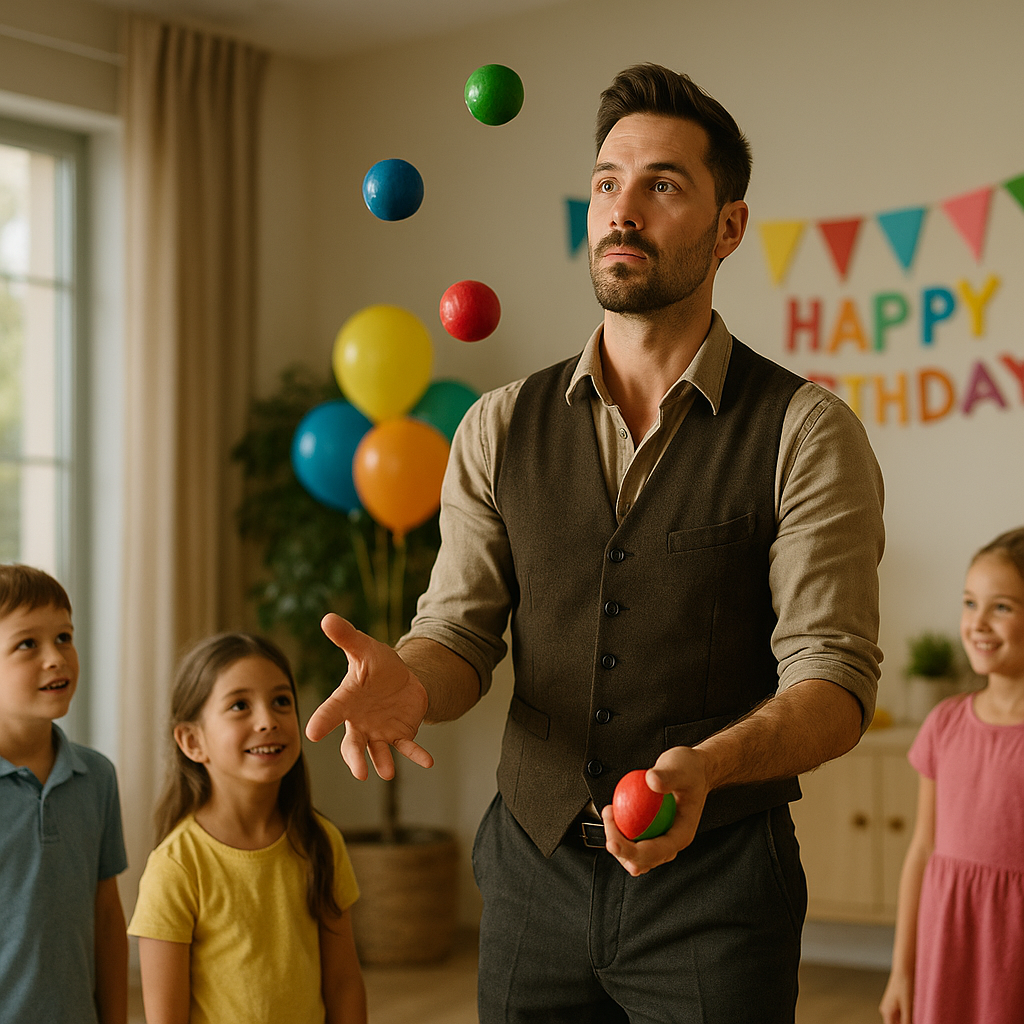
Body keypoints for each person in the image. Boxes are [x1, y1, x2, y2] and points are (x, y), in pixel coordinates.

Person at [306, 63, 885, 1023]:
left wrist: (709, 764)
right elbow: (457, 633)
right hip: (531, 878)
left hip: (718, 893)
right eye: (608, 182)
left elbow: (833, 682)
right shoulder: (496, 425)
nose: (623, 210)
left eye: (663, 185)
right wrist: (411, 682)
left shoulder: (805, 431)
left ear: (728, 227)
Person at [128, 633, 366, 1024]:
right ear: (192, 741)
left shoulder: (321, 842)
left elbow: (343, 983)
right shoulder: (175, 867)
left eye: (281, 702)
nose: (267, 721)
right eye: (240, 705)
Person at [880, 528, 1024, 1024]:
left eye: (1002, 607)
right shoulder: (945, 722)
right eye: (969, 603)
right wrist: (901, 971)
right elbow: (922, 849)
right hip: (949, 936)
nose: (978, 622)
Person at [0, 563, 128, 1024]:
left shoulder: (97, 777)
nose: (55, 657)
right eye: (27, 644)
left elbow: (108, 919)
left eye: (64, 637)